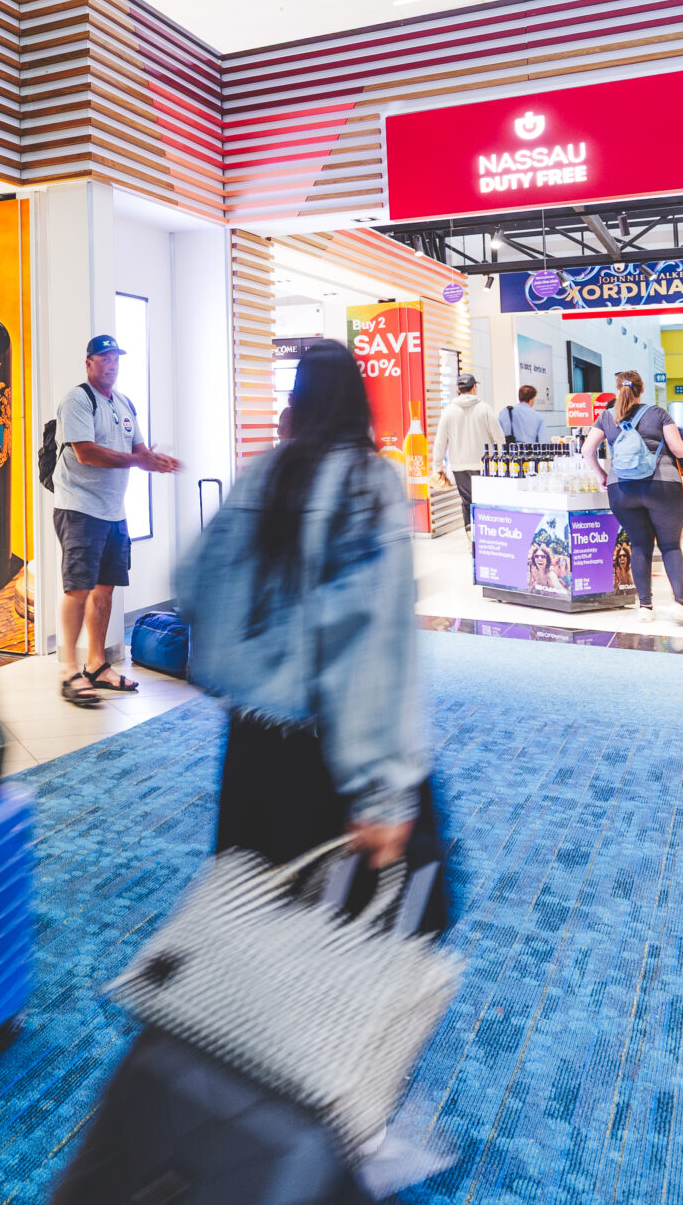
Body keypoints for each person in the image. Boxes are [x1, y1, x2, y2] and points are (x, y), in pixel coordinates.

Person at [172, 338, 451, 1191]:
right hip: (333, 754)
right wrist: (384, 789)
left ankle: (263, 1111)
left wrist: (247, 668)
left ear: (295, 402)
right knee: (403, 919)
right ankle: (352, 1125)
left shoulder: (261, 475)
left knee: (262, 917)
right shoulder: (369, 484)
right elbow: (371, 647)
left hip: (252, 747)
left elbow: (189, 585)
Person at [53, 333, 178, 708]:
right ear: (89, 363)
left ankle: (96, 665)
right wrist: (138, 461)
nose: (111, 365)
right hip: (78, 506)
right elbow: (86, 453)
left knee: (105, 590)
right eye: (104, 358)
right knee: (77, 589)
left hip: (113, 511)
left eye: (116, 359)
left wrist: (155, 461)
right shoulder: (77, 399)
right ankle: (69, 670)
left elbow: (138, 448)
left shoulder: (123, 403)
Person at [582, 371, 683, 626]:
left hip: (621, 489)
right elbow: (678, 449)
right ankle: (678, 603)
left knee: (640, 545)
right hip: (662, 486)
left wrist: (602, 474)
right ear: (641, 390)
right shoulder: (658, 413)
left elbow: (587, 450)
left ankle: (645, 606)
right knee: (670, 545)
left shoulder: (606, 416)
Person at [428, 374, 504, 528]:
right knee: (486, 500)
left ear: (458, 389)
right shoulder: (485, 408)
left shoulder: (449, 411)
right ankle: (485, 534)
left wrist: (436, 467)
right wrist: (501, 460)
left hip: (459, 466)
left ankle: (471, 539)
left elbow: (440, 442)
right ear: (474, 387)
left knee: (466, 502)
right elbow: (499, 437)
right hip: (484, 465)